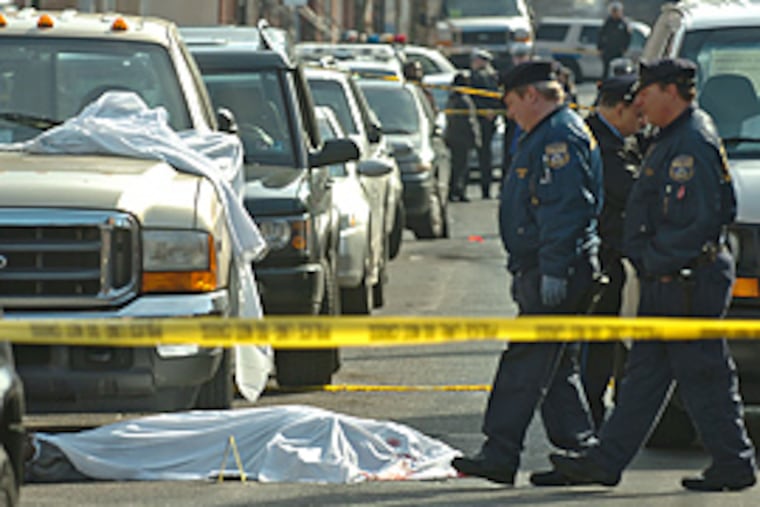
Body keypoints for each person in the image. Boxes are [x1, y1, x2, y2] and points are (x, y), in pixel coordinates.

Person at [551, 58, 758, 492]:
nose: (639, 100)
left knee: (704, 375)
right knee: (644, 377)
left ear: (671, 91)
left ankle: (734, 464)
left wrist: (650, 258)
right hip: (667, 279)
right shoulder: (670, 138)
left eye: (646, 91)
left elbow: (704, 221)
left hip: (686, 280)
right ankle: (605, 462)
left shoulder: (692, 143)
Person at [452, 60, 603, 487]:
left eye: (512, 102)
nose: (509, 112)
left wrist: (554, 269)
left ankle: (501, 454)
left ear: (532, 96)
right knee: (555, 368)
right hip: (545, 268)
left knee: (524, 364)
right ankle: (581, 450)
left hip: (555, 270)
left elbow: (565, 210)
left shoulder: (559, 136)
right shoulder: (545, 132)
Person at [581, 73, 645, 428]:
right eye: (638, 115)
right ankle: (587, 423)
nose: (643, 122)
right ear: (620, 109)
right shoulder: (596, 144)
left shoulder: (620, 140)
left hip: (614, 259)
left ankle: (592, 421)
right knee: (593, 349)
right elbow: (629, 190)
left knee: (605, 348)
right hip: (599, 261)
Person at [469, 48, 502, 199]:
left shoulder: (489, 77)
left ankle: (486, 189)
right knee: (483, 155)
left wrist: (492, 111)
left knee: (485, 156)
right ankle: (484, 189)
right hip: (479, 119)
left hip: (486, 120)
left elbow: (495, 96)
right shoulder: (477, 77)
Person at [444, 73, 481, 202]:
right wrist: (476, 138)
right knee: (462, 168)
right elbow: (469, 121)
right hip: (463, 138)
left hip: (453, 137)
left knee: (456, 166)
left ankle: (453, 191)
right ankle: (459, 191)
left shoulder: (452, 98)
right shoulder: (464, 100)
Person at [597, 2, 631, 80]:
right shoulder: (608, 23)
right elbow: (600, 35)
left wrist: (625, 48)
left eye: (617, 11)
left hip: (618, 51)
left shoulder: (623, 24)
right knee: (606, 70)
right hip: (607, 50)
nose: (615, 13)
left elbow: (628, 37)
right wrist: (600, 48)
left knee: (619, 70)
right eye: (613, 11)